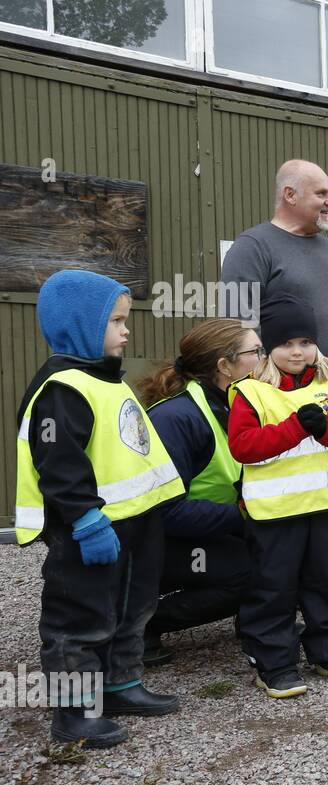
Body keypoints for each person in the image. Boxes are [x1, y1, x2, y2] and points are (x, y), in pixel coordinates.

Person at [16, 270, 185, 748]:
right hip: (91, 528)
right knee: (79, 617)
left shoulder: (107, 380)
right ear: (81, 326)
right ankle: (74, 711)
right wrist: (86, 520)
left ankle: (120, 684)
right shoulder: (63, 389)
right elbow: (59, 463)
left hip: (135, 523)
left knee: (132, 608)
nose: (126, 330)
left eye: (124, 320)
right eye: (115, 322)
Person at [227, 293, 328, 697]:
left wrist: (325, 429)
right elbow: (243, 446)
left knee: (326, 582)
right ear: (269, 348)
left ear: (316, 344)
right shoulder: (249, 391)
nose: (297, 351)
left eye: (305, 342)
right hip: (275, 513)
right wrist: (295, 427)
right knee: (274, 587)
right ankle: (273, 661)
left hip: (326, 507)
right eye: (286, 344)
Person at [137, 319, 262, 667]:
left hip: (206, 528)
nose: (264, 359)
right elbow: (165, 512)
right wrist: (244, 513)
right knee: (252, 571)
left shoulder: (235, 403)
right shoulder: (177, 417)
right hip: (156, 541)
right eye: (256, 352)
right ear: (225, 366)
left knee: (285, 550)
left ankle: (254, 619)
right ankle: (139, 622)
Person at [220, 159, 328, 362]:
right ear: (290, 195)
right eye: (321, 193)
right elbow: (237, 324)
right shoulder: (251, 247)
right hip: (281, 389)